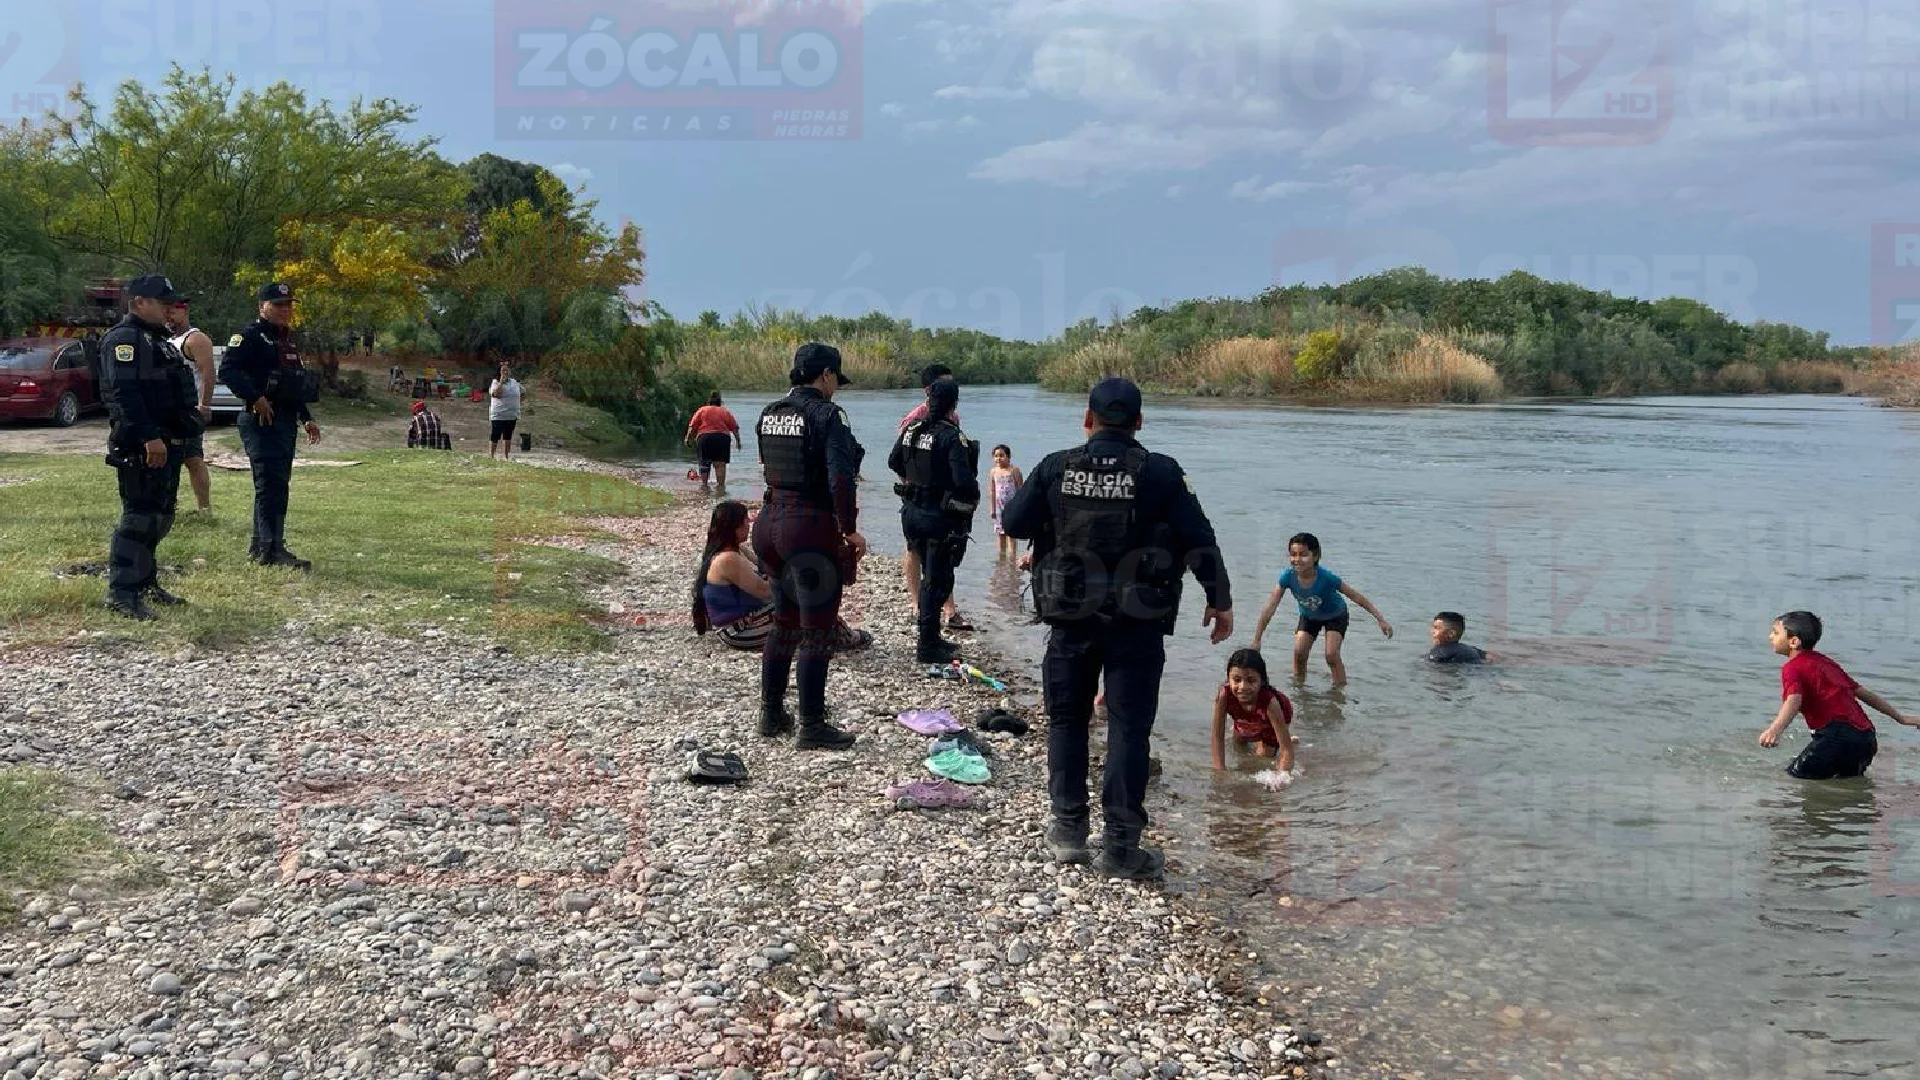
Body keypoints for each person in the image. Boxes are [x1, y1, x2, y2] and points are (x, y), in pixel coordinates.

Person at [1002, 377, 1234, 881]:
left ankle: (1067, 832)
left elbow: (1015, 524)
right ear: (1139, 421)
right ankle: (1121, 848)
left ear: (1087, 421)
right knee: (1129, 727)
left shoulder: (1055, 467)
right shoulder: (1160, 473)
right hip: (1138, 622)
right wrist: (1221, 601)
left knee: (1067, 721)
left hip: (1069, 619)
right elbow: (1200, 539)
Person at [752, 342, 868, 750]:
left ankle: (771, 714)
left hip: (768, 524)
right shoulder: (828, 415)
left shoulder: (770, 413)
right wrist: (850, 529)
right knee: (817, 631)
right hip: (808, 528)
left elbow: (766, 467)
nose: (836, 387)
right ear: (825, 376)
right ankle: (812, 726)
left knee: (784, 622)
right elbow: (840, 478)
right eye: (836, 379)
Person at [97, 275, 202, 620]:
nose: (170, 308)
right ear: (140, 302)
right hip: (143, 444)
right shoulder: (124, 340)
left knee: (160, 515)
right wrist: (147, 436)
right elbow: (123, 395)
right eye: (163, 302)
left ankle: (145, 583)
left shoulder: (158, 341)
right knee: (139, 518)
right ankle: (122, 592)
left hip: (166, 441)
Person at [218, 282, 321, 570]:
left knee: (277, 485)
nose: (285, 310)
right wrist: (255, 397)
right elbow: (227, 370)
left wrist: (307, 417)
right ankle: (271, 550)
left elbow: (292, 385)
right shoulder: (249, 336)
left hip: (285, 419)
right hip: (261, 420)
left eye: (288, 305)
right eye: (278, 304)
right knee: (270, 486)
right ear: (262, 306)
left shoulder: (286, 340)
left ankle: (263, 546)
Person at [887, 378, 980, 662]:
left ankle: (931, 638)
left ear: (928, 401)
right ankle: (928, 644)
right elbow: (963, 481)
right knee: (937, 580)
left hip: (911, 512)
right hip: (937, 515)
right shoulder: (952, 436)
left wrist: (916, 480)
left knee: (929, 572)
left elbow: (893, 462)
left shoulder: (913, 429)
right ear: (953, 405)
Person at [1759, 611, 1916, 779]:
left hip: (1836, 737)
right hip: (1866, 739)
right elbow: (1862, 692)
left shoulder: (1792, 667)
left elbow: (1794, 700)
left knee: (1792, 779)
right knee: (1845, 787)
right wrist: (1901, 718)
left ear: (1794, 642)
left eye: (1775, 632)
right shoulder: (1826, 662)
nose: (1770, 637)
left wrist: (1774, 730)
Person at [1250, 532, 1392, 685]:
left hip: (1335, 615)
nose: (1297, 560)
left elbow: (1356, 596)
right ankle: (1299, 690)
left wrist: (1380, 619)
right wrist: (1257, 638)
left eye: (1303, 555)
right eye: (1293, 555)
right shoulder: (1287, 577)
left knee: (1331, 655)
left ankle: (1339, 692)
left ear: (1316, 556)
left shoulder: (1326, 577)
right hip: (1309, 617)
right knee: (1299, 652)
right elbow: (1271, 605)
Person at [897, 364, 967, 631]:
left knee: (946, 552)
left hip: (944, 499)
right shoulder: (913, 419)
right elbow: (900, 459)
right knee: (915, 549)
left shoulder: (953, 418)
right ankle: (917, 604)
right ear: (929, 390)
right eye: (945, 385)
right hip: (918, 498)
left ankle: (949, 608)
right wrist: (916, 489)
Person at [161, 300, 215, 514]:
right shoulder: (166, 339)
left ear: (185, 311)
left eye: (173, 311)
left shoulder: (196, 339)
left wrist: (205, 405)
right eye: (166, 311)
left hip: (188, 410)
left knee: (193, 458)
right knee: (168, 458)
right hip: (168, 410)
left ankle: (204, 508)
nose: (169, 316)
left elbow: (208, 373)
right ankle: (168, 505)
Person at [1210, 648, 1295, 772]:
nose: (1243, 687)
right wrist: (1220, 771)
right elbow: (1217, 737)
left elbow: (1286, 750)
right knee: (1239, 742)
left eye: (1251, 680)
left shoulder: (1270, 702)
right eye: (1237, 680)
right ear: (1228, 679)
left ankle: (1284, 738)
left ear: (1262, 681)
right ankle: (1256, 732)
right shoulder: (1224, 696)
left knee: (1262, 757)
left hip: (1275, 716)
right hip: (1245, 716)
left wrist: (1281, 776)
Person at [684, 392, 742, 492]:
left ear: (708, 401)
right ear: (720, 402)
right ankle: (720, 489)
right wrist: (738, 442)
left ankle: (704, 487)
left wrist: (687, 438)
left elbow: (692, 426)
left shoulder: (702, 410)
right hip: (722, 438)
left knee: (704, 464)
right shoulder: (724, 411)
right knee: (720, 465)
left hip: (704, 437)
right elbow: (734, 428)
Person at [988, 444, 1024, 560]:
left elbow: (1020, 489)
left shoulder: (1014, 470)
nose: (998, 459)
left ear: (1008, 457)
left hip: (1011, 506)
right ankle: (1001, 558)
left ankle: (1012, 558)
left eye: (1001, 456)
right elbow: (992, 491)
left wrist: (1021, 507)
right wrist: (992, 508)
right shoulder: (993, 472)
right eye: (996, 456)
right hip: (999, 507)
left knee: (1011, 533)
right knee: (1000, 533)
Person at [488, 361, 524, 460]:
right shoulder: (495, 382)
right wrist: (501, 382)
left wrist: (518, 403)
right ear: (499, 372)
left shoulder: (515, 382)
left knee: (508, 435)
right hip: (499, 414)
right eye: (503, 370)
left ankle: (506, 456)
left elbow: (523, 392)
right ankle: (491, 455)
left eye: (507, 370)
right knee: (495, 434)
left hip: (512, 414)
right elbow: (496, 394)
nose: (505, 372)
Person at [1427, 611, 1491, 664]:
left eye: (1436, 628)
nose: (1432, 631)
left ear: (1451, 633)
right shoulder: (1471, 649)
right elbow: (1492, 657)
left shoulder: (1439, 652)